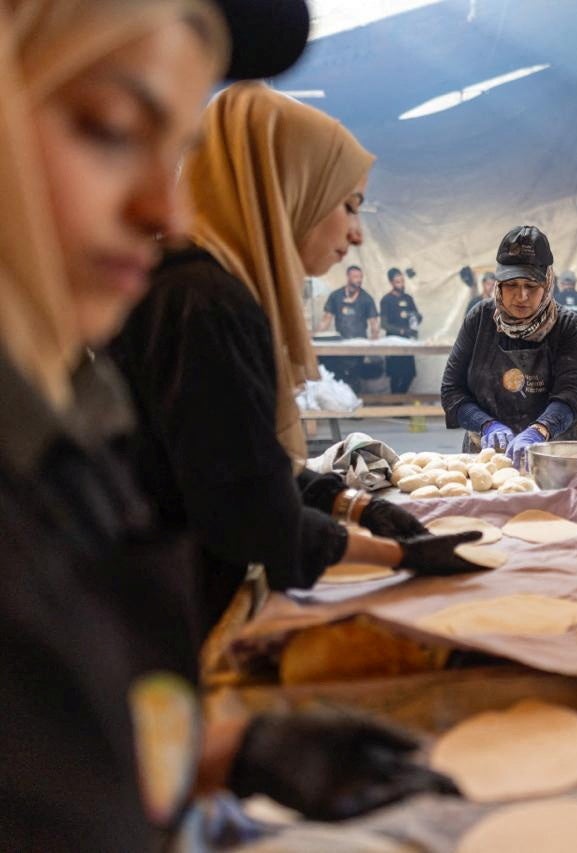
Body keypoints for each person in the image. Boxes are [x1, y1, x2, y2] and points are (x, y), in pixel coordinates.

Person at [1, 2, 457, 847]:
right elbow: (242, 502)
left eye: (169, 150)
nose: (163, 213)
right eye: (107, 128)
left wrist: (226, 753)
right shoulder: (203, 301)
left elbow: (61, 733)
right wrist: (391, 553)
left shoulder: (58, 426)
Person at [110, 83, 485, 638]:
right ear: (288, 190)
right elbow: (251, 517)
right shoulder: (205, 304)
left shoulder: (198, 286)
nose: (356, 234)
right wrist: (396, 557)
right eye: (349, 204)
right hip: (167, 619)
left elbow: (247, 462)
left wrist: (356, 505)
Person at [441, 225, 577, 466]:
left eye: (531, 286)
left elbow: (570, 396)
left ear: (548, 283)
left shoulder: (567, 326)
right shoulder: (479, 319)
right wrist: (485, 424)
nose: (521, 296)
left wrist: (539, 430)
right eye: (511, 285)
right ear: (498, 284)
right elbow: (452, 391)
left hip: (553, 455)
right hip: (487, 456)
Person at [381, 266, 423, 393]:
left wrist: (418, 317)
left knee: (409, 375)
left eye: (403, 281)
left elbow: (416, 317)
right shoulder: (386, 300)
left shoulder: (408, 298)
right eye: (398, 282)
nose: (401, 284)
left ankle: (398, 404)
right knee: (395, 376)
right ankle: (396, 408)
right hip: (393, 342)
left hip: (407, 342)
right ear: (391, 282)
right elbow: (384, 324)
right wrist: (402, 331)